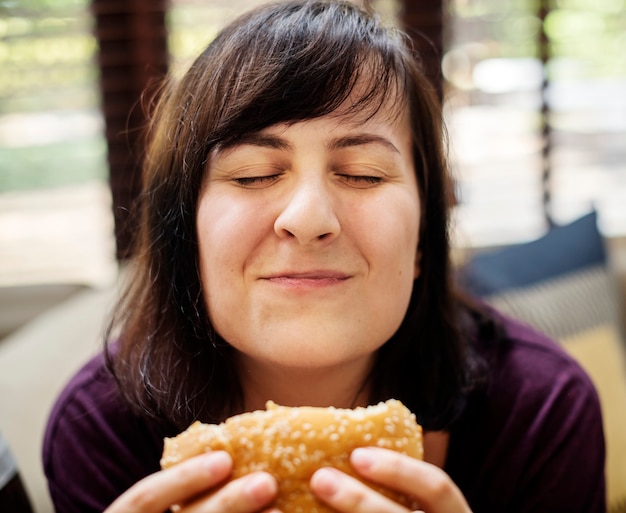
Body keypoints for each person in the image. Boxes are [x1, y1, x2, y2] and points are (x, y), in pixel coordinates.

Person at [43, 1, 606, 512]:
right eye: (253, 174)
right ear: (185, 235)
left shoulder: (541, 411)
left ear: (420, 241)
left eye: (362, 173)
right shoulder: (99, 431)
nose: (309, 219)